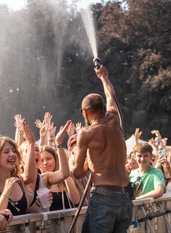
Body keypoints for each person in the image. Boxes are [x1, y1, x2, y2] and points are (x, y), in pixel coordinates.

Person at [72, 63, 133, 233]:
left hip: (104, 198)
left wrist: (90, 164)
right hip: (125, 198)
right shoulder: (115, 119)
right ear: (104, 108)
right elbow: (111, 96)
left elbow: (78, 173)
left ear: (85, 112)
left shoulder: (86, 133)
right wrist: (104, 77)